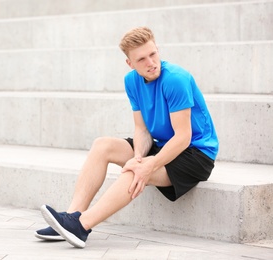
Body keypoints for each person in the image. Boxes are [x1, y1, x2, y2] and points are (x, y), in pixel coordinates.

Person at [35, 26, 219, 248]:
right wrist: (140, 156)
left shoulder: (176, 79)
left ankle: (81, 226)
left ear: (158, 49)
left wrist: (147, 166)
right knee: (103, 145)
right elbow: (141, 130)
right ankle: (71, 217)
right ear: (130, 64)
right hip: (163, 146)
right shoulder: (131, 81)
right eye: (141, 59)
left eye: (153, 54)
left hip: (195, 154)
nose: (151, 62)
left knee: (136, 170)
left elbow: (183, 137)